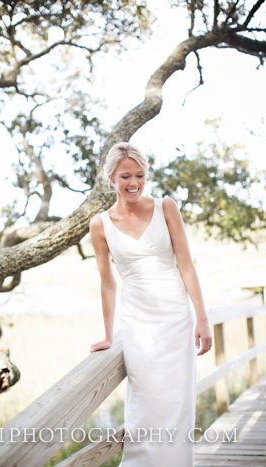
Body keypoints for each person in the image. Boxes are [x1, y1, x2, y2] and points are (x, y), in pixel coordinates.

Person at [88, 142, 212, 466]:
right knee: (145, 404)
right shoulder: (99, 225)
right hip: (137, 325)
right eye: (126, 176)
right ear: (111, 178)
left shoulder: (166, 207)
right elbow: (106, 281)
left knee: (176, 405)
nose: (134, 183)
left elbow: (186, 264)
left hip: (175, 320)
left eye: (140, 175)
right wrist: (107, 334)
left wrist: (202, 318)